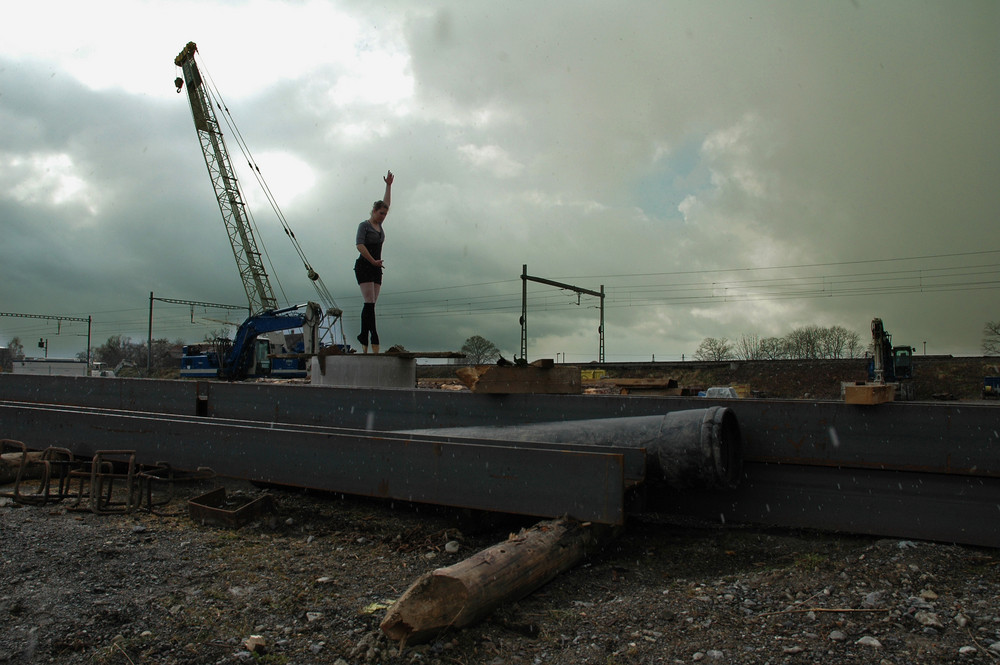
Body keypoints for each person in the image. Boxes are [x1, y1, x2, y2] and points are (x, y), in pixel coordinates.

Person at [354, 170, 393, 354]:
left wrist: (388, 186)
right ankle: (374, 337)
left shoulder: (380, 226)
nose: (383, 216)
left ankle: (363, 335)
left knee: (371, 304)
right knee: (369, 301)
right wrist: (372, 261)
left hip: (377, 267)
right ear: (373, 211)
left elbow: (387, 203)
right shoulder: (365, 225)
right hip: (365, 265)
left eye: (385, 214)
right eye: (380, 213)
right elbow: (359, 246)